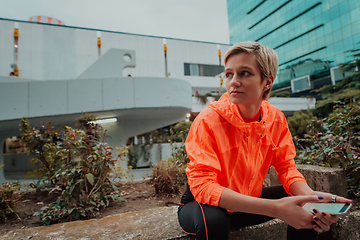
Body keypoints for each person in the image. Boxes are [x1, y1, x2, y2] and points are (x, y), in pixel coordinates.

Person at [177, 41, 353, 240]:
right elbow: (203, 186)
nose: (233, 81)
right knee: (214, 221)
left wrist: (311, 198)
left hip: (248, 201)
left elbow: (286, 168)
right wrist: (276, 208)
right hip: (204, 204)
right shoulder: (208, 120)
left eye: (244, 73)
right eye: (228, 74)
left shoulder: (276, 118)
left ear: (267, 82)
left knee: (304, 205)